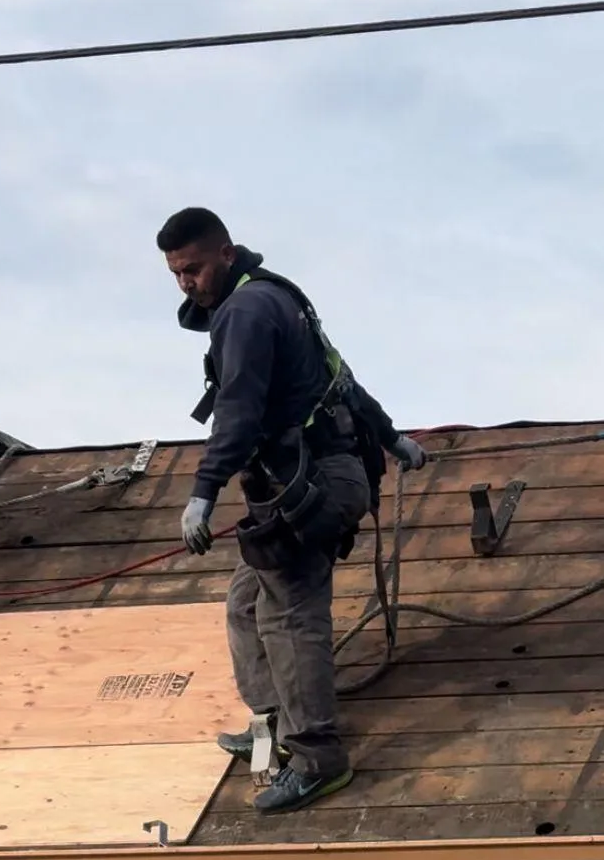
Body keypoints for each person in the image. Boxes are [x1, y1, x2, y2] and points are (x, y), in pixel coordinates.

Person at [157, 207, 426, 815]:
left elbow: (239, 411)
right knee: (246, 601)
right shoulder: (274, 296)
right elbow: (341, 376)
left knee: (290, 615)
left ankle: (317, 759)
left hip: (313, 486)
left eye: (193, 269)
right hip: (309, 480)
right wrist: (391, 436)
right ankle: (273, 728)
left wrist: (203, 492)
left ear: (226, 254)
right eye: (175, 275)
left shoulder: (247, 312)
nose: (185, 285)